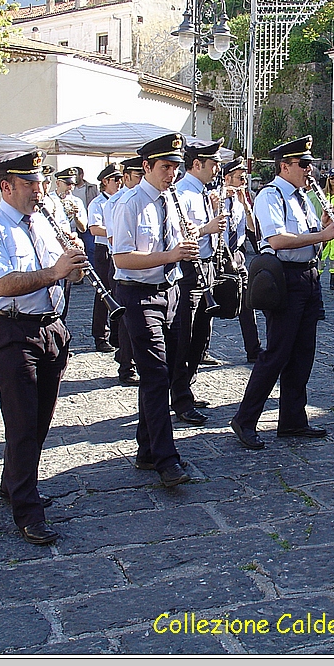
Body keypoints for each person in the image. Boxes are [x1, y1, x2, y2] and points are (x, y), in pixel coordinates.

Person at [0, 149, 87, 545]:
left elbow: (59, 276)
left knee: (39, 419)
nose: (39, 191)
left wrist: (70, 267)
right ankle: (27, 509)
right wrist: (54, 271)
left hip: (51, 328)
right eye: (30, 184)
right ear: (7, 186)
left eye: (40, 183)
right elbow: (2, 285)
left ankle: (12, 481)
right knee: (21, 422)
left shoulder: (43, 221)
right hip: (12, 332)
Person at [229, 135, 334, 450]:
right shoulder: (271, 195)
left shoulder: (302, 198)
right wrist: (322, 233)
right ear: (285, 166)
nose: (310, 170)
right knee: (276, 354)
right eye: (304, 164)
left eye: (309, 164)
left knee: (303, 353)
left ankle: (293, 420)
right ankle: (245, 419)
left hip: (308, 278)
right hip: (285, 280)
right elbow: (277, 240)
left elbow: (310, 243)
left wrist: (322, 229)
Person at [112, 133, 198, 486]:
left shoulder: (172, 200)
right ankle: (166, 459)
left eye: (176, 167)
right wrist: (171, 255)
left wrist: (190, 239)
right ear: (146, 166)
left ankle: (147, 449)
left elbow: (178, 245)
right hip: (139, 294)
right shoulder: (130, 203)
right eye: (165, 167)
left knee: (168, 369)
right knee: (155, 375)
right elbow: (121, 258)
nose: (172, 174)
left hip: (172, 291)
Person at [170, 139, 227, 426]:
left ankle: (187, 388)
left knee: (201, 334)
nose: (217, 168)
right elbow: (182, 236)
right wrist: (209, 227)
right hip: (188, 270)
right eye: (213, 163)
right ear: (196, 164)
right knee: (185, 335)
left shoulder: (204, 192)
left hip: (207, 266)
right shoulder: (182, 193)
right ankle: (179, 396)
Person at [105, 157, 145, 385]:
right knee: (125, 318)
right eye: (137, 176)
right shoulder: (118, 202)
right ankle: (126, 366)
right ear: (126, 177)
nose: (141, 180)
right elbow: (113, 239)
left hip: (148, 265)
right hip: (122, 264)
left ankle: (131, 360)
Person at [221, 155, 262, 363]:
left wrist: (247, 207)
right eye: (240, 179)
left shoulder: (240, 202)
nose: (243, 183)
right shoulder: (214, 198)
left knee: (247, 304)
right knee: (211, 304)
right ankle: (201, 351)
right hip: (219, 257)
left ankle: (253, 349)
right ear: (227, 178)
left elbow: (254, 231)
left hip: (238, 256)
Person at [86, 165, 123, 353]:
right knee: (103, 293)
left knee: (119, 291)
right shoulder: (97, 203)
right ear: (105, 182)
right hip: (103, 250)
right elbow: (94, 228)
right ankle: (100, 336)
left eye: (120, 179)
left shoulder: (121, 199)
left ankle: (117, 333)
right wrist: (118, 231)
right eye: (115, 180)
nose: (119, 183)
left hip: (118, 248)